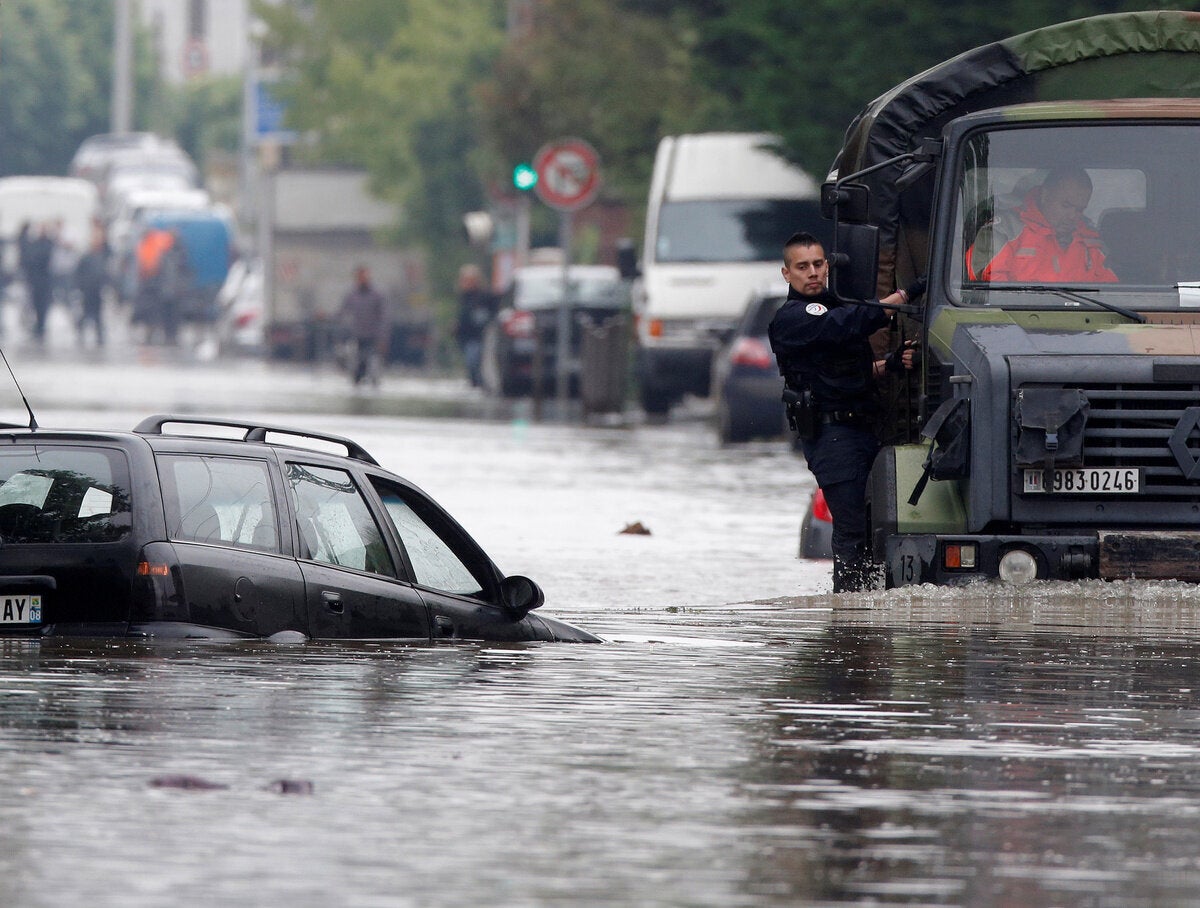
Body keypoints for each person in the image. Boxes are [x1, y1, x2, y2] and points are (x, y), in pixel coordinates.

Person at [768, 231, 920, 593]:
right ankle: (850, 612)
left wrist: (889, 364)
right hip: (832, 438)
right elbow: (849, 324)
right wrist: (907, 294)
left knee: (873, 530)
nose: (812, 272)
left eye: (817, 264)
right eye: (802, 267)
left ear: (827, 266)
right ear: (787, 273)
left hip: (863, 430)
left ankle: (870, 607)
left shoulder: (834, 304)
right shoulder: (791, 318)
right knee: (851, 532)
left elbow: (844, 373)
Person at [967, 167, 1117, 283]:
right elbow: (986, 289)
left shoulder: (1091, 243)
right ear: (1045, 195)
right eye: (1066, 205)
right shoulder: (1005, 230)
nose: (1073, 216)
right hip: (1016, 315)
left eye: (1080, 210)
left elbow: (1112, 294)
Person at [340, 264, 387, 386]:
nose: (363, 279)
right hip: (358, 337)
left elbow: (383, 318)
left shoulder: (377, 295)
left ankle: (374, 383)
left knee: (373, 366)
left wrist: (383, 337)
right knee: (357, 369)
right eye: (360, 276)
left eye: (365, 276)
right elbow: (342, 312)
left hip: (373, 337)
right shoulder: (352, 295)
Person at [454, 264, 496, 387]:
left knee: (474, 361)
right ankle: (475, 383)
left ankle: (479, 383)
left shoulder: (485, 296)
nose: (466, 283)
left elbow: (491, 313)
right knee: (471, 362)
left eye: (469, 280)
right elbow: (463, 316)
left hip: (480, 336)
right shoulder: (463, 296)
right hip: (466, 337)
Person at [73, 223, 111, 347]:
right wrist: (80, 287)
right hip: (87, 290)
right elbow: (78, 273)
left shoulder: (104, 255)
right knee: (86, 313)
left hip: (98, 290)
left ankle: (99, 336)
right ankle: (80, 331)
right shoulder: (86, 257)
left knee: (98, 315)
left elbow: (106, 273)